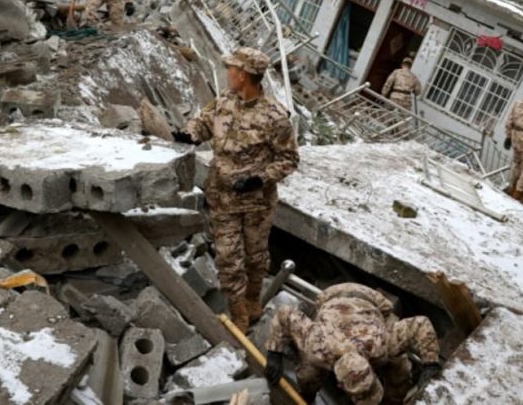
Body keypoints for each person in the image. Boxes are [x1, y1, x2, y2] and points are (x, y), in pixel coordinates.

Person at [175, 47, 299, 331]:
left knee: (255, 258)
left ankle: (253, 300)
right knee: (228, 258)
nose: (227, 72)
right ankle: (239, 317)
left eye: (231, 68)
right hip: (222, 199)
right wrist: (188, 135)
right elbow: (202, 123)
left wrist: (259, 179)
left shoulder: (275, 117)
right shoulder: (224, 102)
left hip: (257, 204)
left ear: (243, 75)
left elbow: (289, 159)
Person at [264, 283, 441, 404]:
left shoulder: (381, 345)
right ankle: (306, 398)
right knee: (308, 375)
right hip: (330, 299)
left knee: (400, 369)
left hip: (372, 300)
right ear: (339, 385)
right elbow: (284, 314)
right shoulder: (317, 347)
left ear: (371, 368)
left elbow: (421, 323)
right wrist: (274, 353)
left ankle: (393, 402)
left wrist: (430, 364)